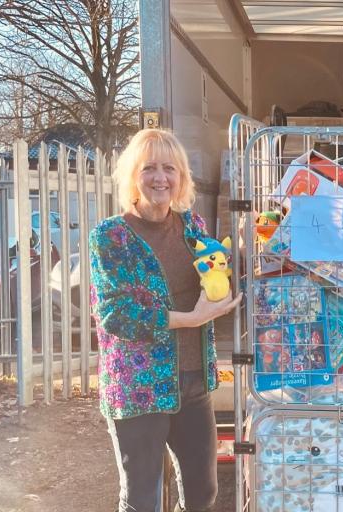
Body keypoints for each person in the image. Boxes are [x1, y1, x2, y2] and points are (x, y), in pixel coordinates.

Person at [89, 129, 242, 512]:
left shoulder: (192, 227)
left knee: (202, 494)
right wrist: (190, 320)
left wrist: (235, 267)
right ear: (133, 177)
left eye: (169, 168)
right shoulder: (110, 236)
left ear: (181, 177)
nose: (160, 178)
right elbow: (115, 315)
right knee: (143, 498)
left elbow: (213, 277)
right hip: (139, 388)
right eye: (150, 168)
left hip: (194, 382)